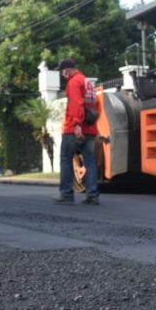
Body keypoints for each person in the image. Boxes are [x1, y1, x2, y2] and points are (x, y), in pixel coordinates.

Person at [53, 59, 100, 205]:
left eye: (62, 72)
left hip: (74, 128)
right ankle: (92, 195)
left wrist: (77, 125)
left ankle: (67, 194)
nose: (62, 75)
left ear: (67, 70)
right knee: (90, 161)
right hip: (91, 128)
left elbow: (76, 104)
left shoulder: (74, 82)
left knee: (66, 158)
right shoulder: (87, 82)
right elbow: (94, 104)